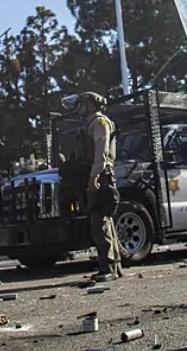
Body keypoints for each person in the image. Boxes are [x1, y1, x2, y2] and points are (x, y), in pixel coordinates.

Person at [62, 92, 123, 282]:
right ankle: (115, 267)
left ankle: (107, 269)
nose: (79, 108)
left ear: (89, 104)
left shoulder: (99, 122)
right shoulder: (92, 123)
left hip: (100, 177)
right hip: (96, 175)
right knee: (103, 221)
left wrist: (94, 177)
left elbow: (101, 151)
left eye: (81, 104)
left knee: (100, 223)